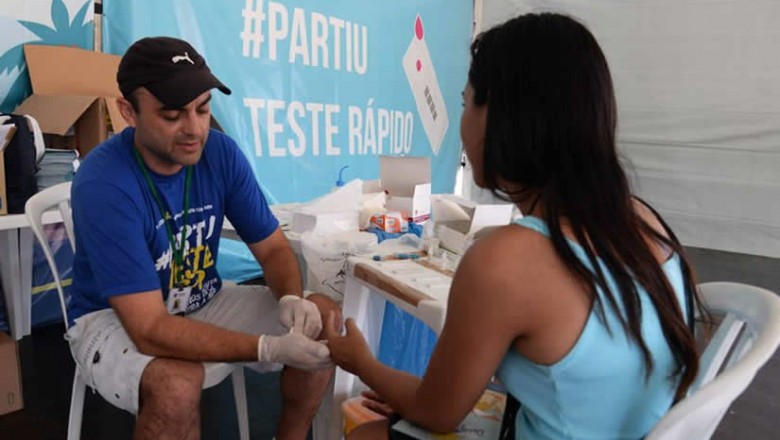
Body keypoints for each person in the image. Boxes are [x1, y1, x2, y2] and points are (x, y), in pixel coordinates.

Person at [324, 13, 708, 440]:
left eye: (467, 102)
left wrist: (362, 362)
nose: (464, 122)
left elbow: (438, 413)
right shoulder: (645, 220)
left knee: (364, 435)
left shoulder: (506, 259)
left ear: (503, 117)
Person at [67, 36, 341, 440]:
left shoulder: (221, 154)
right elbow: (149, 329)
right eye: (172, 115)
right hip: (113, 320)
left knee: (323, 318)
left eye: (203, 109)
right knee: (176, 384)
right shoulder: (103, 182)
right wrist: (267, 347)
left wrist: (290, 297)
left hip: (198, 299)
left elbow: (273, 248)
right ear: (128, 111)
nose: (195, 129)